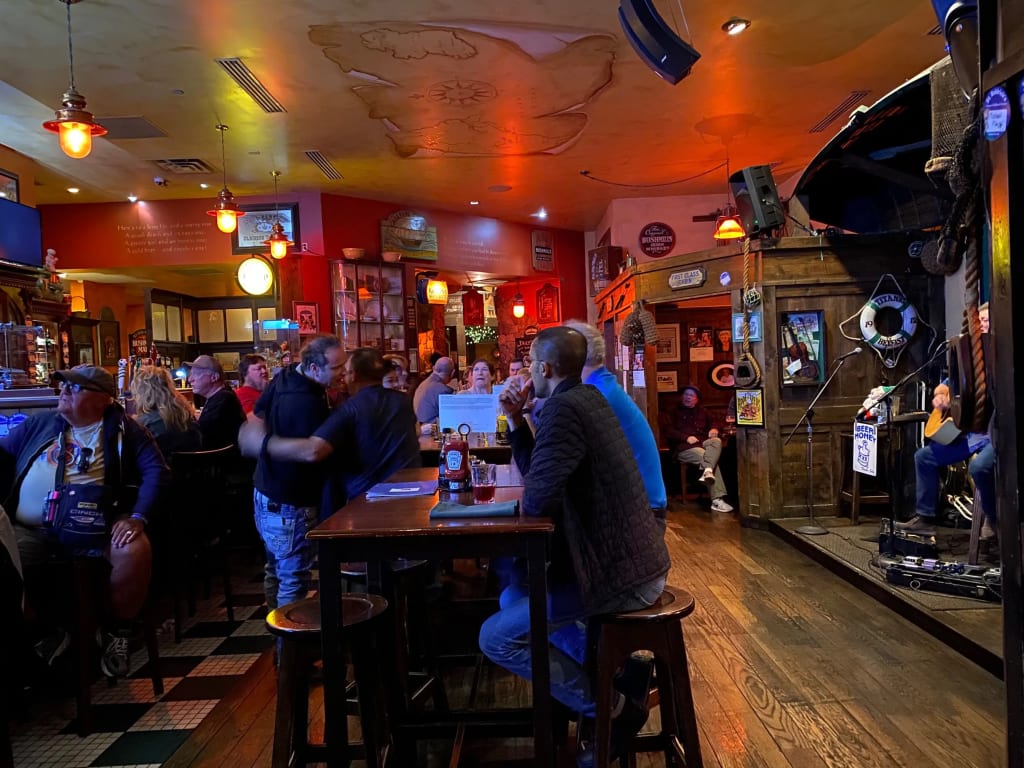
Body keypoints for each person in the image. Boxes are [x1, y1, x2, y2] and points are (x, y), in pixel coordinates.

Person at [480, 327, 670, 764]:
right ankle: (618, 673)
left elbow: (536, 499)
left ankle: (613, 709)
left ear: (544, 368)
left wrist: (523, 419)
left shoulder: (564, 409)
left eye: (530, 364)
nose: (527, 372)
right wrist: (516, 419)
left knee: (494, 638)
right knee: (512, 595)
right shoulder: (586, 398)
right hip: (627, 561)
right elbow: (541, 480)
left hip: (619, 575)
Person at [0, 365, 168, 678]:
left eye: (76, 387)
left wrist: (137, 517)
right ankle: (44, 634)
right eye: (64, 385)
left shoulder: (125, 429)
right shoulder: (39, 424)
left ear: (104, 399)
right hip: (31, 530)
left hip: (97, 527)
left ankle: (117, 631)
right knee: (4, 564)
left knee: (134, 549)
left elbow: (156, 472)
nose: (64, 391)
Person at [238, 335, 344, 611]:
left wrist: (262, 444)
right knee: (293, 579)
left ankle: (275, 631)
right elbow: (312, 453)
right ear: (314, 368)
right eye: (337, 367)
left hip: (265, 490)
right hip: (290, 500)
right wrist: (266, 446)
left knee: (276, 570)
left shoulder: (286, 375)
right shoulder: (304, 401)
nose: (343, 372)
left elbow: (256, 416)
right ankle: (288, 634)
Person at [251, 348, 420, 511]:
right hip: (410, 494)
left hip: (368, 501)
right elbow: (416, 432)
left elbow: (314, 450)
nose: (342, 376)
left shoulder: (350, 409)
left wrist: (262, 444)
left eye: (345, 371)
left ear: (354, 375)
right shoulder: (403, 401)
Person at [564, 320, 667, 526]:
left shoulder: (598, 394)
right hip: (638, 504)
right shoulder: (601, 384)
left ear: (573, 356)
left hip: (641, 512)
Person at [900, 381, 995, 537]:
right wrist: (940, 397)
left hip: (995, 437)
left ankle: (993, 518)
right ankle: (925, 519)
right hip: (971, 436)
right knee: (924, 457)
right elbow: (943, 386)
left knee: (979, 467)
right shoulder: (966, 369)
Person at [663, 384, 733, 512]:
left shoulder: (703, 411)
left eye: (691, 395)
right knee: (708, 458)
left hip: (702, 442)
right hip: (684, 447)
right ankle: (717, 500)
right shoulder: (673, 412)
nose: (687, 397)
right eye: (686, 394)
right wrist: (685, 437)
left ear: (697, 399)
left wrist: (714, 428)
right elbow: (668, 431)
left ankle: (707, 471)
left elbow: (716, 422)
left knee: (716, 441)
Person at [130, 365, 203, 459]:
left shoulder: (143, 426)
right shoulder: (187, 415)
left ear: (141, 393)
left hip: (163, 467)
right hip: (197, 467)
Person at [187, 355, 245, 451]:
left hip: (222, 459)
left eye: (196, 374)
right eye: (191, 374)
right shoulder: (221, 396)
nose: (190, 379)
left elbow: (200, 435)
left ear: (214, 377)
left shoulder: (224, 398)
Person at [412, 355, 455, 424]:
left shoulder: (424, 383)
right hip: (432, 428)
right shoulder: (443, 390)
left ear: (434, 368)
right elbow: (452, 416)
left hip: (419, 426)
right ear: (452, 373)